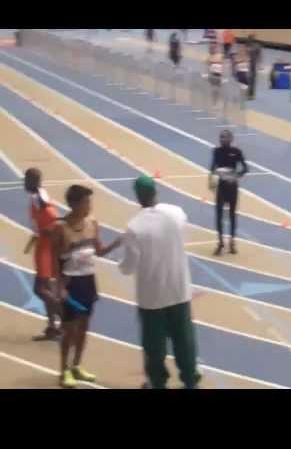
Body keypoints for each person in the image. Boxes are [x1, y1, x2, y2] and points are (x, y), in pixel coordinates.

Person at [118, 176, 200, 389]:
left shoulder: (134, 227)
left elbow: (128, 267)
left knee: (154, 347)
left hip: (152, 298)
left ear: (137, 196)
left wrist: (120, 262)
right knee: (184, 341)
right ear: (156, 191)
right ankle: (190, 381)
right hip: (179, 290)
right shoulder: (176, 214)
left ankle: (158, 383)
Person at [53, 185, 120, 388]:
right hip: (71, 283)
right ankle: (64, 370)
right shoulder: (60, 227)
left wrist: (118, 242)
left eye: (89, 202)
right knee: (69, 329)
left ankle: (77, 366)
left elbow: (99, 252)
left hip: (88, 281)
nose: (88, 206)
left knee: (83, 327)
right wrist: (60, 288)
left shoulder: (92, 224)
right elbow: (56, 260)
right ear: (73, 204)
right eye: (85, 202)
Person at [23, 168, 61, 341]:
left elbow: (52, 219)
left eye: (26, 179)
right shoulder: (39, 196)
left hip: (46, 249)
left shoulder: (39, 199)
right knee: (46, 289)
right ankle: (53, 327)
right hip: (44, 247)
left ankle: (64, 315)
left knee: (40, 289)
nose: (24, 182)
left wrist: (44, 233)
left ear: (33, 181)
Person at [209, 130, 248, 256]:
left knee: (231, 215)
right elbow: (212, 167)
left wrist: (236, 176)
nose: (222, 139)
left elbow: (245, 168)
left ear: (231, 139)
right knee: (219, 215)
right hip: (221, 187)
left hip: (232, 187)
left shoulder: (236, 152)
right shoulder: (216, 151)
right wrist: (212, 178)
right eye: (221, 137)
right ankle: (220, 243)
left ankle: (232, 242)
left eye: (225, 137)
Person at [246, 34, 262, 100]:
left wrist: (259, 64)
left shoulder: (257, 46)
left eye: (251, 39)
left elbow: (259, 56)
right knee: (248, 79)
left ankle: (251, 94)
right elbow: (244, 54)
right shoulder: (247, 46)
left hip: (253, 65)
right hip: (248, 65)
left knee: (252, 80)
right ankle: (248, 93)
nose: (250, 40)